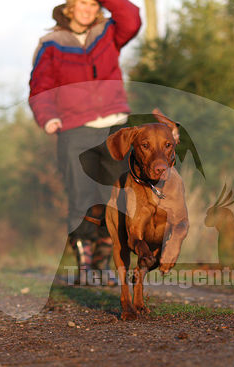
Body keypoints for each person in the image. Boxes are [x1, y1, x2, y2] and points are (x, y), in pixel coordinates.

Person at [28, 0, 141, 279]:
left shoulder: (108, 32)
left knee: (115, 197)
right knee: (81, 197)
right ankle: (86, 266)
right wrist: (48, 117)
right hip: (74, 129)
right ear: (69, 7)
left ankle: (105, 263)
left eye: (93, 4)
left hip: (114, 127)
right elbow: (39, 85)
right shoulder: (51, 43)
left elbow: (132, 17)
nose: (88, 9)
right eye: (82, 3)